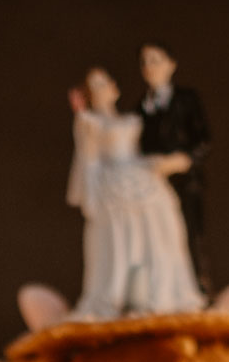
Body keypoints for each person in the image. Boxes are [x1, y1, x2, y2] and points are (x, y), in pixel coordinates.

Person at [66, 67, 205, 320]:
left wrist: (167, 161)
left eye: (106, 80)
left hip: (145, 179)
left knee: (161, 236)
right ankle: (124, 298)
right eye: (96, 84)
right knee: (122, 244)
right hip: (115, 189)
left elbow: (143, 148)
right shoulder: (90, 122)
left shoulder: (132, 118)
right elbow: (90, 162)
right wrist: (94, 197)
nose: (105, 86)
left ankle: (162, 294)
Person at [135, 42, 211, 297]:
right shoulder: (139, 109)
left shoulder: (186, 99)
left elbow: (204, 139)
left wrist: (184, 160)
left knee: (189, 234)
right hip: (151, 187)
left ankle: (199, 289)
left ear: (171, 64)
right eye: (145, 61)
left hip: (185, 181)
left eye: (156, 59)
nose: (149, 66)